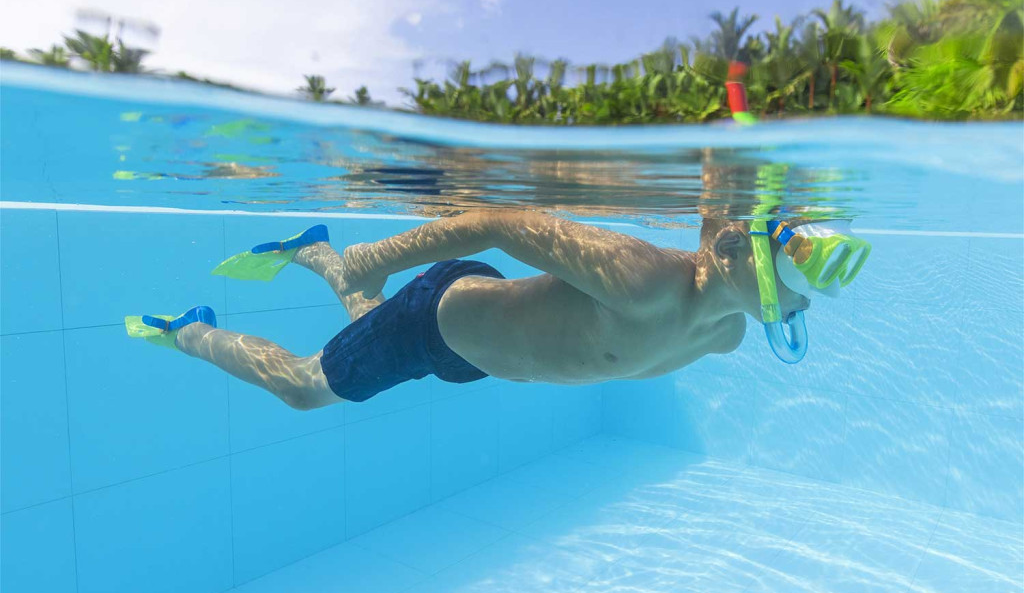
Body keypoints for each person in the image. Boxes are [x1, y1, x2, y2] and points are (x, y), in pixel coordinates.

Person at [125, 207, 824, 409]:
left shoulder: (726, 334)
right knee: (303, 388)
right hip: (438, 316)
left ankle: (315, 251)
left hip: (473, 354)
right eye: (800, 256)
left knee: (364, 327)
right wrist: (377, 257)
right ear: (736, 251)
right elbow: (494, 222)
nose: (809, 291)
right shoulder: (642, 279)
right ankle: (189, 330)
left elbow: (718, 222)